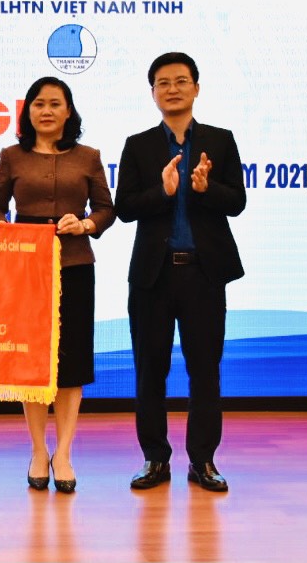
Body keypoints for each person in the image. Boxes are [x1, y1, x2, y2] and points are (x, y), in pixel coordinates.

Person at [115, 51, 246, 493]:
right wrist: (163, 191)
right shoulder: (138, 145)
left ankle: (203, 461)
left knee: (205, 370)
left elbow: (237, 201)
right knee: (150, 369)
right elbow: (125, 207)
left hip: (203, 275)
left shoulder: (220, 141)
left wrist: (206, 189)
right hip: (153, 277)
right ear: (153, 93)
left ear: (196, 88)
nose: (172, 89)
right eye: (163, 83)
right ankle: (155, 459)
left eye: (181, 81)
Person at [0, 76, 114, 494]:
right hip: (26, 267)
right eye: (39, 104)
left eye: (55, 104)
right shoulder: (12, 156)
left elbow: (106, 209)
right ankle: (39, 450)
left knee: (71, 363)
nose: (46, 111)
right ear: (28, 112)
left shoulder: (89, 157)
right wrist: (0, 228)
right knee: (33, 361)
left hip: (74, 264)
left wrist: (87, 224)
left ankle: (65, 453)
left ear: (68, 111)